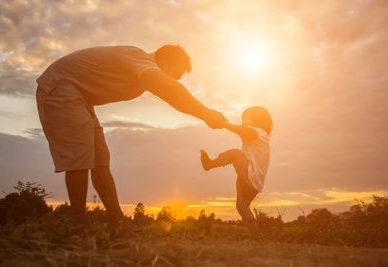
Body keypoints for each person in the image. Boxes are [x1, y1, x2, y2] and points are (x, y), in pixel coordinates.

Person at [36, 44, 226, 226]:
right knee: (80, 156)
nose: (173, 81)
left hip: (80, 97)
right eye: (173, 75)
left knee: (101, 158)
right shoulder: (137, 56)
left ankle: (116, 220)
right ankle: (79, 223)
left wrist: (204, 114)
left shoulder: (142, 71)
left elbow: (168, 88)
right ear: (166, 61)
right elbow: (168, 89)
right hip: (59, 86)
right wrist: (206, 113)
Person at [200, 106, 272, 231]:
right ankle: (256, 233)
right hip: (254, 184)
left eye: (245, 117)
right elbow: (243, 133)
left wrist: (223, 123)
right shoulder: (261, 135)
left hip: (251, 176)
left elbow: (241, 131)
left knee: (235, 154)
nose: (243, 120)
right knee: (241, 207)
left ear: (256, 119)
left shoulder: (258, 132)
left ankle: (210, 164)